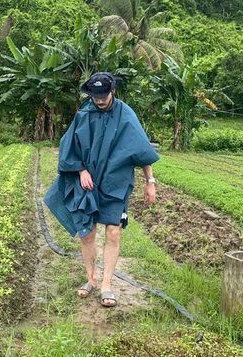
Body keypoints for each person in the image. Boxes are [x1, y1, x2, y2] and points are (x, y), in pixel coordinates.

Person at [44, 72, 159, 307]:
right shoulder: (84, 113)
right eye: (95, 96)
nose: (99, 100)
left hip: (115, 183)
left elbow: (141, 148)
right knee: (87, 232)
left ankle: (106, 285)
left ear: (112, 91)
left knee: (113, 232)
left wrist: (150, 182)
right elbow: (70, 146)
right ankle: (91, 279)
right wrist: (80, 170)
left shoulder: (125, 114)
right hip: (88, 181)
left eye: (103, 96)